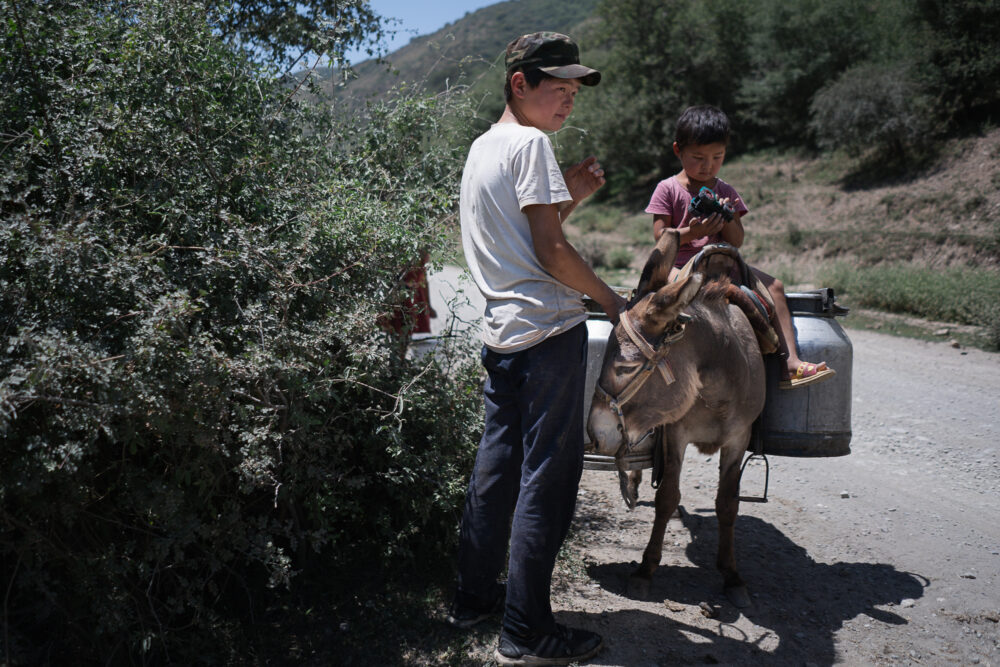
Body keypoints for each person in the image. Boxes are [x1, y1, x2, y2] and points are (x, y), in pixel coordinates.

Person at [447, 32, 625, 666]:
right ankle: (526, 630)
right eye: (559, 90)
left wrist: (570, 194)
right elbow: (549, 253)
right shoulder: (531, 144)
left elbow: (518, 243)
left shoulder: (482, 149)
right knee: (547, 478)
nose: (568, 104)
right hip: (549, 335)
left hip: (502, 335)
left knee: (496, 468)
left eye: (575, 93)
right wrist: (609, 299)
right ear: (519, 83)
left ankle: (472, 599)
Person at [646, 104, 835, 388]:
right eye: (698, 157)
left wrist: (727, 217)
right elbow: (661, 238)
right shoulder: (668, 188)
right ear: (678, 151)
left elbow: (737, 241)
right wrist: (690, 232)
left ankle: (790, 362)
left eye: (717, 157)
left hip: (724, 262)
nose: (707, 165)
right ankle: (659, 363)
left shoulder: (726, 191)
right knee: (672, 295)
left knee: (776, 287)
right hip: (681, 263)